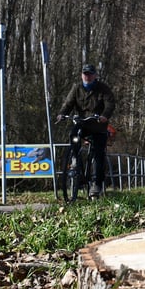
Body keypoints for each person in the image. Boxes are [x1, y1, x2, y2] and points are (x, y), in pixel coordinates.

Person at [56, 63, 115, 197]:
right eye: (85, 74)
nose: (87, 76)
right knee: (73, 135)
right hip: (83, 123)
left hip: (98, 125)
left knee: (99, 154)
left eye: (90, 74)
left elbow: (110, 103)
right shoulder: (77, 88)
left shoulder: (103, 89)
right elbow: (68, 103)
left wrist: (105, 116)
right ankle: (76, 160)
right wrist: (62, 114)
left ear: (95, 75)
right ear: (82, 75)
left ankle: (96, 184)